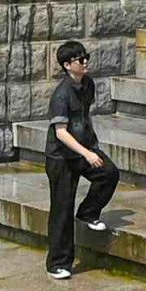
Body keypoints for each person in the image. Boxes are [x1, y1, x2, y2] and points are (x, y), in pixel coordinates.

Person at [43, 38, 118, 277]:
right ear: (67, 65)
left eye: (86, 57)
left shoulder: (88, 85)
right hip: (61, 158)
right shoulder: (61, 95)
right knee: (62, 210)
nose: (85, 62)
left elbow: (85, 116)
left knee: (109, 173)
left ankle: (88, 213)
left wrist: (91, 146)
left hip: (83, 148)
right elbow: (61, 132)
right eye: (80, 59)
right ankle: (58, 263)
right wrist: (86, 153)